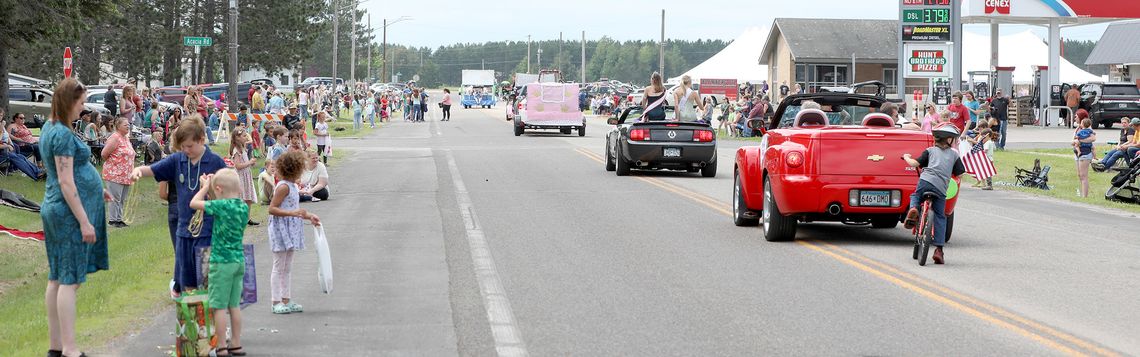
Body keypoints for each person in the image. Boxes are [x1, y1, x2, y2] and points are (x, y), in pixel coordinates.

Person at [41, 78, 111, 357]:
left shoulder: (50, 127)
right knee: (69, 279)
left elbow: (74, 178)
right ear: (69, 102)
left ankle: (56, 347)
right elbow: (67, 182)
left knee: (57, 276)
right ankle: (69, 349)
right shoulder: (61, 134)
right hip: (67, 213)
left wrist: (97, 190)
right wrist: (84, 221)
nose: (83, 109)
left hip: (58, 208)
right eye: (80, 104)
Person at [130, 116, 228, 293]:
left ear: (202, 140)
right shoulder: (177, 159)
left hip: (207, 231)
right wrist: (138, 170)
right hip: (184, 231)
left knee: (206, 282)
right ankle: (189, 319)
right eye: (182, 146)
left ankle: (207, 318)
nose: (186, 150)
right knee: (186, 284)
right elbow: (153, 169)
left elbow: (228, 196)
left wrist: (212, 190)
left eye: (189, 146)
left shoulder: (216, 162)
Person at [187, 168, 248, 357]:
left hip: (221, 263)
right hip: (238, 260)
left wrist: (205, 187)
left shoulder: (221, 207)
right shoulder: (242, 206)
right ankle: (236, 343)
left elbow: (194, 203)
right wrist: (214, 188)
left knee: (219, 306)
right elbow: (221, 199)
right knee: (234, 305)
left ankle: (221, 346)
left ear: (219, 189)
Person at [902, 124, 967, 265]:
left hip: (925, 181)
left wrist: (906, 157)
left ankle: (914, 209)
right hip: (940, 189)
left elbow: (914, 164)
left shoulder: (930, 151)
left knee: (915, 196)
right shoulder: (954, 155)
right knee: (940, 216)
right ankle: (938, 250)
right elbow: (960, 173)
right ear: (949, 140)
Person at [266, 151, 320, 314]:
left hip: (290, 229)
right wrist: (292, 214)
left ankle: (286, 299)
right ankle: (276, 301)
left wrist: (309, 216)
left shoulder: (292, 186)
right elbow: (272, 209)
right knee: (279, 265)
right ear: (295, 170)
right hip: (280, 229)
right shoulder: (283, 186)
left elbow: (295, 209)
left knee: (287, 266)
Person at [101, 117, 136, 227]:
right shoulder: (115, 137)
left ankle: (119, 218)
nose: (128, 126)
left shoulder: (125, 138)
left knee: (121, 199)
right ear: (118, 126)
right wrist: (114, 164)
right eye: (125, 125)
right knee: (115, 198)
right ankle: (113, 220)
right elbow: (104, 154)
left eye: (128, 124)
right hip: (114, 174)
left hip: (126, 174)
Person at [229, 128, 260, 226]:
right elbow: (237, 166)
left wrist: (250, 163)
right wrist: (249, 163)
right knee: (241, 198)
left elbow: (245, 162)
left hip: (247, 176)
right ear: (237, 138)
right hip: (240, 177)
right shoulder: (236, 151)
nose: (246, 137)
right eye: (244, 136)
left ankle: (247, 218)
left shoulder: (243, 148)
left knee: (248, 198)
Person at [1073, 118, 1097, 197]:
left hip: (1085, 153)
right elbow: (1073, 141)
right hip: (1078, 153)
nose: (1075, 118)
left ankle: (1085, 196)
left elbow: (1093, 138)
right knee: (1080, 175)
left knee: (1083, 175)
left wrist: (1080, 141)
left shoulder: (1088, 130)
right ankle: (1082, 193)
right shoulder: (1079, 129)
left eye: (1076, 116)